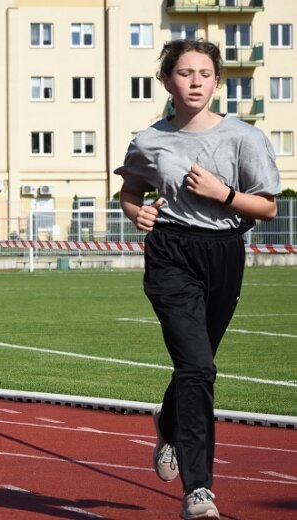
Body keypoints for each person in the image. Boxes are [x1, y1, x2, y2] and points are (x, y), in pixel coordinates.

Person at [115, 40, 280, 520]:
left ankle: (167, 422)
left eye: (204, 74)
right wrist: (137, 213)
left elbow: (267, 207)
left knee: (197, 365)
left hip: (223, 253)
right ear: (167, 81)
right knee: (199, 370)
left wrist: (222, 192)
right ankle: (199, 489)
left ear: (217, 83)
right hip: (170, 253)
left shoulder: (243, 138)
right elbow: (129, 192)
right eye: (184, 73)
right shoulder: (149, 141)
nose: (194, 82)